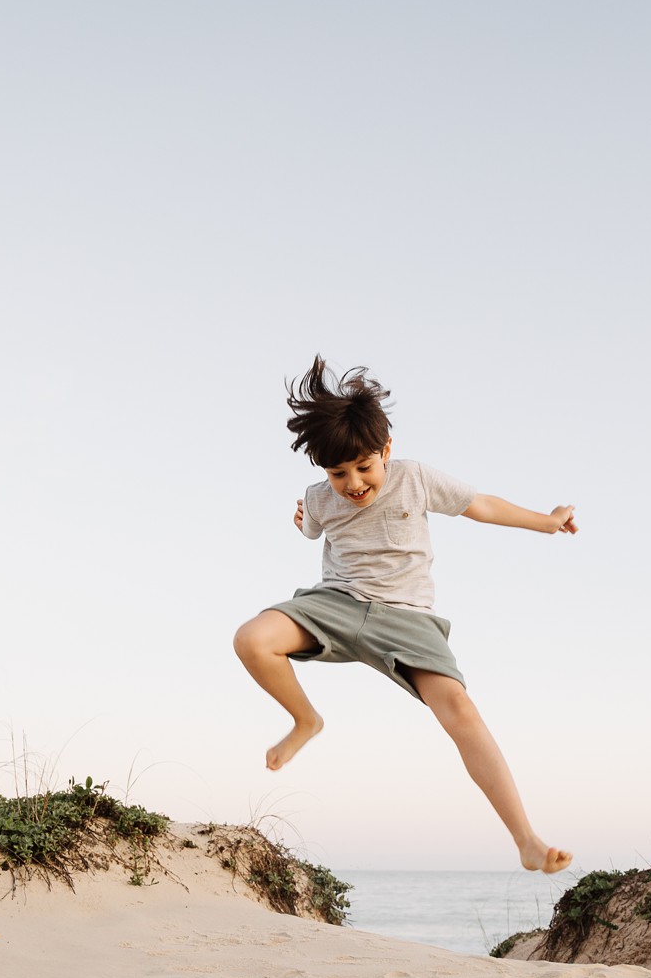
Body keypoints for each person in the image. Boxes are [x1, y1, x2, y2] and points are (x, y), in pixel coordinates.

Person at [232, 356, 575, 874]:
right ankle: (306, 720)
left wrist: (546, 523)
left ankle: (525, 839)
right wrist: (303, 517)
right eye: (337, 473)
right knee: (252, 639)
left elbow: (480, 504)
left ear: (386, 451)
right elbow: (312, 527)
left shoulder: (414, 478)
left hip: (408, 620)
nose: (353, 484)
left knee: (461, 712)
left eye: (364, 467)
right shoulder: (321, 497)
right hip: (337, 605)